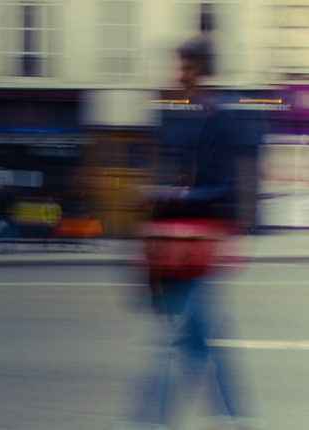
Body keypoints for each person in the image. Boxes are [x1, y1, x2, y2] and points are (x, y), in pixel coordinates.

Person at [111, 36, 265, 430]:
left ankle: (151, 421)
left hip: (200, 243)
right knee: (197, 341)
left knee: (182, 341)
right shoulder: (206, 112)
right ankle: (233, 418)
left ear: (200, 69)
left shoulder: (223, 113)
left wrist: (174, 195)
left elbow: (226, 187)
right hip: (196, 242)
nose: (179, 75)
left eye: (185, 67)